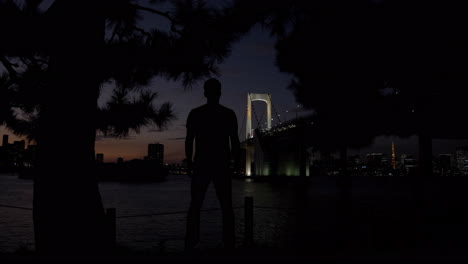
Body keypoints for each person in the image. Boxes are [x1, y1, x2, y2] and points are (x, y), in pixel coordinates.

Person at [185, 78, 240, 251]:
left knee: (195, 205)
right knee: (226, 206)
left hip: (201, 163)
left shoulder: (195, 113)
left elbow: (189, 140)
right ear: (220, 92)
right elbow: (235, 141)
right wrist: (236, 163)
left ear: (204, 93)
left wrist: (189, 163)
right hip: (221, 164)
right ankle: (230, 244)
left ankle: (191, 244)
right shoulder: (229, 114)